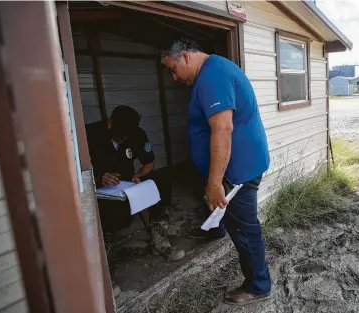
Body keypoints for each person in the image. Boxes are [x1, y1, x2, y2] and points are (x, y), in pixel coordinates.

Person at [160, 39, 272, 305]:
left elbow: (223, 129)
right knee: (217, 204)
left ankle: (258, 285)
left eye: (173, 69)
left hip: (238, 170)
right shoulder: (213, 71)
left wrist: (215, 181)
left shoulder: (213, 75)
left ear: (185, 56)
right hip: (232, 166)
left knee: (244, 228)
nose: (174, 77)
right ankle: (216, 229)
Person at [86, 105, 183, 260]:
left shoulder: (137, 134)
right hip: (101, 189)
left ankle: (159, 233)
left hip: (129, 184)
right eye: (120, 136)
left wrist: (137, 175)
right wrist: (98, 179)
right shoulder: (90, 134)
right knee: (119, 218)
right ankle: (104, 248)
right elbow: (75, 170)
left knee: (161, 181)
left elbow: (149, 163)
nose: (124, 139)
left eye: (127, 136)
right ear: (110, 123)